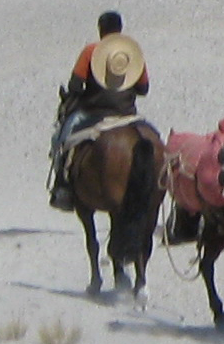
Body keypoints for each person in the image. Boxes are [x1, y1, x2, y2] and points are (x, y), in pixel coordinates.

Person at [49, 11, 149, 208]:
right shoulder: (132, 54)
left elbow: (75, 85)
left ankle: (63, 187)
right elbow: (143, 89)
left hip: (95, 114)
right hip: (127, 113)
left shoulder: (91, 51)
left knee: (61, 139)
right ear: (120, 28)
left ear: (100, 29)